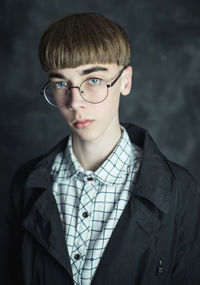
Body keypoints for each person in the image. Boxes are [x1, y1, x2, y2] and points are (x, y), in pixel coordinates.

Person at [5, 12, 200, 285]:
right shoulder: (25, 185)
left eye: (93, 80)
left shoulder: (180, 190)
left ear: (125, 81)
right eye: (61, 83)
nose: (75, 102)